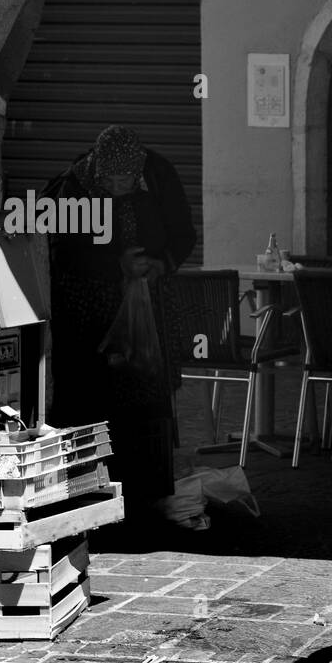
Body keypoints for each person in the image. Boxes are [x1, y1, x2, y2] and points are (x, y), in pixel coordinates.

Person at [42, 125, 196, 515]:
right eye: (109, 179)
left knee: (144, 388)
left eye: (124, 178)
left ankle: (145, 486)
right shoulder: (74, 186)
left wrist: (160, 265)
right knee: (91, 392)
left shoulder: (159, 177)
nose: (116, 185)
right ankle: (86, 488)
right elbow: (62, 251)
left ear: (138, 170)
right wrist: (115, 265)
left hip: (147, 303)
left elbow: (182, 234)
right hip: (88, 309)